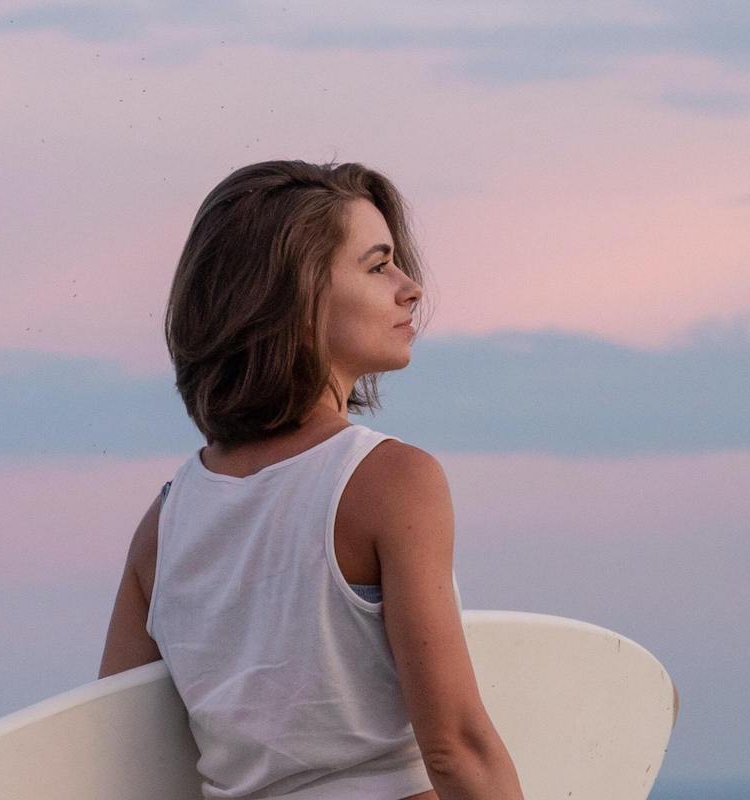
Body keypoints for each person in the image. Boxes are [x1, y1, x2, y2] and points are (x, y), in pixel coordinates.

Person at [99, 159, 523, 799]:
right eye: (378, 266)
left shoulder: (164, 524)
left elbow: (113, 756)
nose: (411, 288)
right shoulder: (391, 480)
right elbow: (455, 745)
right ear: (291, 296)